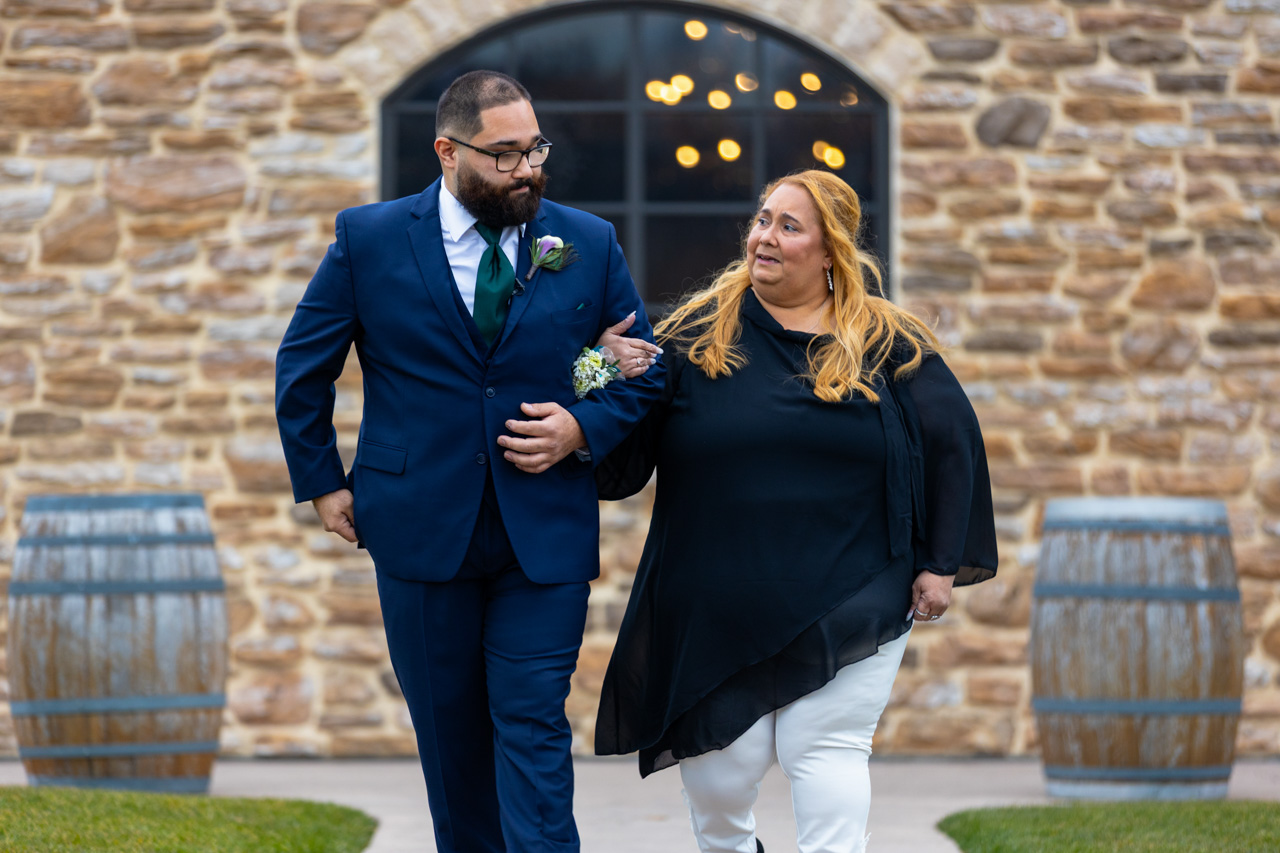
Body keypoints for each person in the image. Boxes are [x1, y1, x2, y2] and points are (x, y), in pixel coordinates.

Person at [275, 70, 665, 853]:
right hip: (417, 525)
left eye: (535, 149)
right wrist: (322, 483)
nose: (527, 169)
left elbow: (644, 370)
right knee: (450, 738)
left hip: (543, 533)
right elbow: (301, 367)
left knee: (533, 723)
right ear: (448, 152)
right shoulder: (369, 239)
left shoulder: (588, 242)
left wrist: (580, 427)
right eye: (505, 154)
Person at [592, 170, 998, 853]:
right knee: (722, 771)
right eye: (762, 220)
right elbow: (625, 453)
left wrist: (939, 563)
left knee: (824, 747)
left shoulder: (885, 341)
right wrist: (603, 374)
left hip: (854, 582)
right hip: (717, 593)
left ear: (830, 251)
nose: (765, 237)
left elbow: (954, 444)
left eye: (788, 226)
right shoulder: (695, 333)